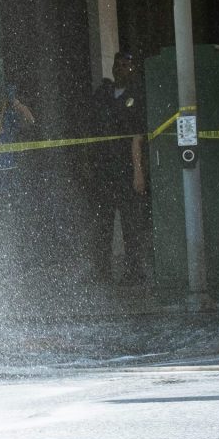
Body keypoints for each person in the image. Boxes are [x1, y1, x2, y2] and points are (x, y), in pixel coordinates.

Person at [89, 50, 150, 284]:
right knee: (102, 221)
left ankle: (135, 271)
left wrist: (138, 173)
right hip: (103, 168)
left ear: (132, 69)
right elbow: (91, 128)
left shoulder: (137, 96)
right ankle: (101, 271)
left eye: (126, 65)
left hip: (126, 168)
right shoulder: (103, 93)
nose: (120, 69)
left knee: (131, 223)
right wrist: (88, 161)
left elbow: (137, 137)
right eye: (118, 64)